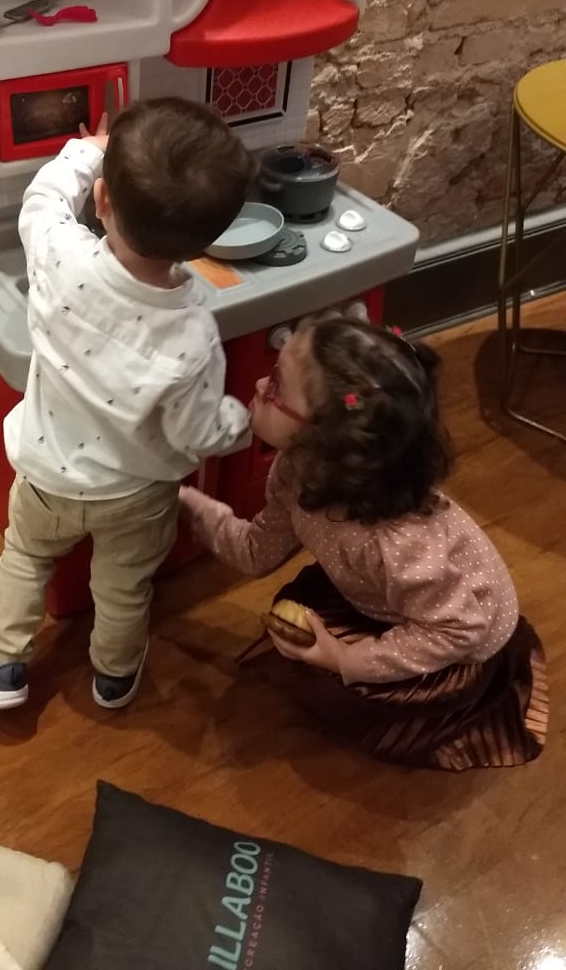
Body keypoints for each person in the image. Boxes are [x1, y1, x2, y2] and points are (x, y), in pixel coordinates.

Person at [0, 97, 255, 712]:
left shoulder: (60, 258)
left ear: (103, 199)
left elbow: (41, 200)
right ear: (208, 240)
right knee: (123, 586)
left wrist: (86, 152)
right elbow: (198, 432)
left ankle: (0, 667)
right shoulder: (194, 333)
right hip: (138, 496)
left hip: (46, 477)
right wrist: (240, 421)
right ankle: (113, 675)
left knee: (25, 557)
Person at [179, 313, 548, 770]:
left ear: (324, 440)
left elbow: (459, 630)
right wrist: (196, 507)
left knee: (358, 691)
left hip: (458, 636)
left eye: (275, 385)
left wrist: (348, 659)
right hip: (396, 600)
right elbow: (258, 551)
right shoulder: (296, 470)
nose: (257, 385)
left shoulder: (399, 547)